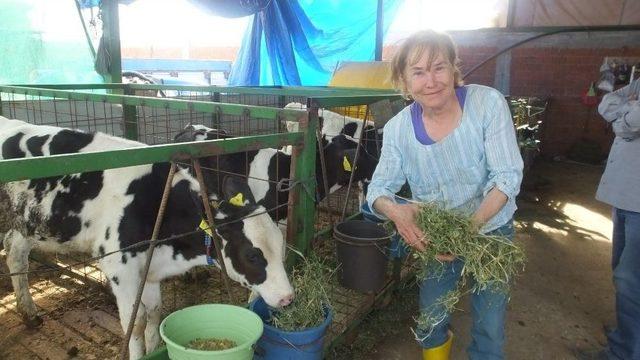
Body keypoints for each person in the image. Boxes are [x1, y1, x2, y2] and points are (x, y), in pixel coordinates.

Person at [365, 30, 523, 359]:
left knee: (490, 322)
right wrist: (397, 213)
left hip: (491, 230)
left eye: (439, 67)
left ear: (453, 68)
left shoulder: (487, 104)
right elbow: (379, 190)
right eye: (418, 72)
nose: (431, 81)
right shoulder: (398, 129)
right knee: (431, 317)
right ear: (404, 82)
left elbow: (507, 176)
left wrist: (469, 229)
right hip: (438, 239)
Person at [591, 78, 640, 360]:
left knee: (630, 278)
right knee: (623, 272)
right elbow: (606, 104)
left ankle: (625, 352)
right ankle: (628, 335)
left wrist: (626, 115)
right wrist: (629, 110)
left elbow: (629, 122)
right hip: (626, 196)